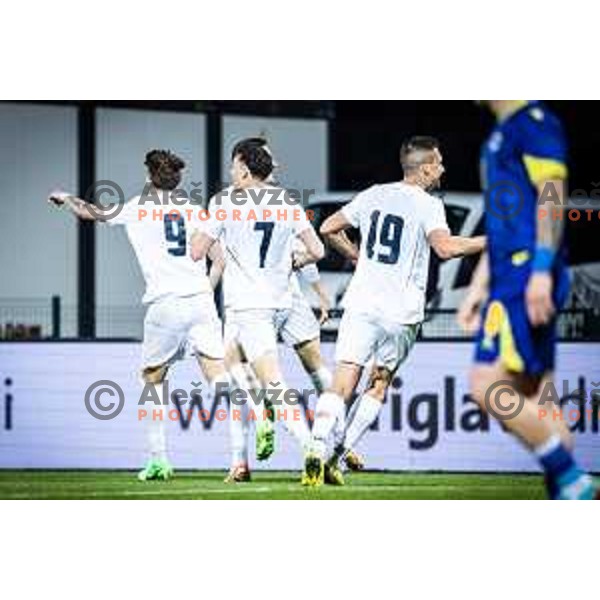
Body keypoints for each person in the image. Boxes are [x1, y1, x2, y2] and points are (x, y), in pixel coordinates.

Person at [303, 136, 486, 486]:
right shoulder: (428, 204)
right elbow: (445, 249)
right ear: (426, 167)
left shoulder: (374, 193)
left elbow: (327, 227)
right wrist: (490, 242)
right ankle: (336, 455)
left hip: (360, 303)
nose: (444, 168)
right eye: (440, 162)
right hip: (400, 311)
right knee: (378, 383)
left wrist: (356, 256)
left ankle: (315, 443)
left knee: (342, 382)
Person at [49, 150, 230, 481]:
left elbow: (92, 213)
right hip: (202, 301)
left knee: (153, 379)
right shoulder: (194, 209)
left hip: (165, 304)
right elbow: (219, 260)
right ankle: (252, 426)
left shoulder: (137, 207)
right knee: (218, 376)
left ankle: (159, 458)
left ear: (149, 175)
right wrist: (204, 290)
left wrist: (65, 198)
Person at [458, 101, 596, 499]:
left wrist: (540, 269)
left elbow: (552, 195)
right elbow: (505, 217)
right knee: (538, 398)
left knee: (486, 386)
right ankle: (566, 493)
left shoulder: (533, 123)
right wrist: (479, 285)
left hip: (524, 275)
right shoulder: (501, 134)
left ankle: (572, 480)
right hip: (509, 275)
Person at [190, 138, 325, 478]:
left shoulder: (223, 202)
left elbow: (196, 251)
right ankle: (243, 460)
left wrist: (201, 227)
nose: (231, 171)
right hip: (281, 302)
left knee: (272, 382)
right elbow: (318, 250)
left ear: (246, 169)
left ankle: (310, 446)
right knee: (232, 361)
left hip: (249, 307)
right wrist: (296, 259)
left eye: (234, 165)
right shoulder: (287, 200)